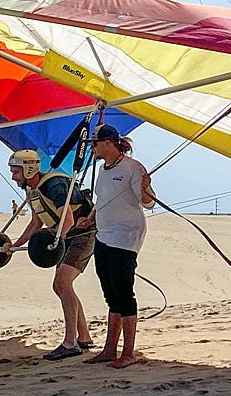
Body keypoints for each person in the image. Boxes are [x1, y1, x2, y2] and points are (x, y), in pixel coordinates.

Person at [3, 148, 95, 361]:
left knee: (63, 282)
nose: (13, 177)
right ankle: (84, 337)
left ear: (28, 170)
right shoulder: (33, 190)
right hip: (63, 235)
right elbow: (37, 222)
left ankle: (70, 343)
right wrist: (14, 246)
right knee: (60, 286)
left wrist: (56, 242)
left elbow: (69, 219)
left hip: (82, 232)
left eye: (16, 172)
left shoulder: (54, 185)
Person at [81, 124, 155, 369]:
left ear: (108, 143)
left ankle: (128, 352)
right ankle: (109, 349)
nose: (92, 147)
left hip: (125, 237)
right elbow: (103, 200)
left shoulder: (133, 168)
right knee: (110, 293)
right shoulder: (103, 170)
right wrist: (90, 218)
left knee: (124, 294)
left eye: (95, 143)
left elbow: (148, 203)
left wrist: (145, 188)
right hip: (103, 236)